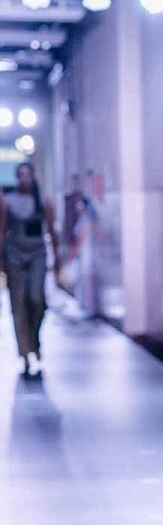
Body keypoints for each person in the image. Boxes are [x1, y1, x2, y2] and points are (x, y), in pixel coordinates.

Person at [0, 162, 60, 378]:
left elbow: (51, 229)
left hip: (37, 254)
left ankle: (34, 340)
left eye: (28, 175)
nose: (24, 179)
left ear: (33, 177)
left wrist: (58, 257)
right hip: (14, 255)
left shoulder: (42, 201)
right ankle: (24, 351)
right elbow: (2, 230)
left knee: (36, 299)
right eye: (21, 175)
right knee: (18, 304)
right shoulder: (7, 201)